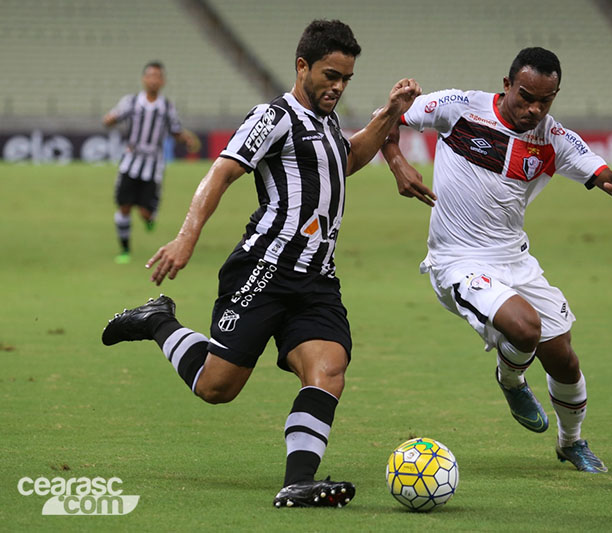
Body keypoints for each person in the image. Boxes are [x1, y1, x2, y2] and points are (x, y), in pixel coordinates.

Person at [101, 20, 421, 507]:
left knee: (328, 369)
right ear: (302, 66)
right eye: (330, 74)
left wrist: (390, 113)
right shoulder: (273, 117)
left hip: (317, 277)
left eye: (346, 78)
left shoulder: (328, 122)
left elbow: (347, 159)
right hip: (264, 270)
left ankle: (298, 481)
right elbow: (221, 172)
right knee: (216, 387)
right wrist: (186, 238)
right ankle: (157, 321)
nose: (337, 85)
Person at [381, 47, 612, 473]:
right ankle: (511, 381)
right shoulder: (460, 108)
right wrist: (397, 162)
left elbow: (603, 174)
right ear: (507, 85)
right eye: (525, 96)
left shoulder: (553, 139)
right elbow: (391, 118)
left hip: (514, 260)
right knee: (524, 328)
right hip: (458, 260)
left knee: (564, 358)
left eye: (546, 100)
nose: (534, 108)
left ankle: (571, 443)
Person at [104, 61, 199, 264]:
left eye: (158, 76)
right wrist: (109, 120)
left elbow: (176, 131)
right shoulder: (130, 102)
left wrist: (187, 139)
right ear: (144, 79)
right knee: (124, 207)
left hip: (153, 165)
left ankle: (148, 219)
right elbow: (113, 117)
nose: (154, 80)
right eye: (150, 76)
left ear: (162, 81)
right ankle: (125, 250)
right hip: (131, 161)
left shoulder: (166, 107)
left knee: (146, 213)